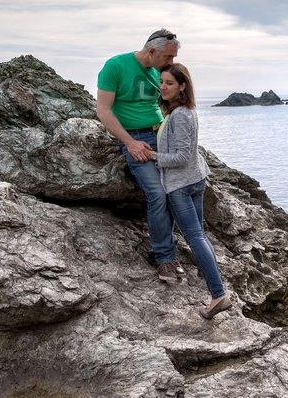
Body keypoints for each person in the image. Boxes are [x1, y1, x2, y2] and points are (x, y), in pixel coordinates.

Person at [96, 28, 185, 278]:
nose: (172, 63)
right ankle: (164, 258)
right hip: (135, 138)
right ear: (151, 51)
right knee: (157, 193)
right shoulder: (116, 66)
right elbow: (103, 111)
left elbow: (172, 101)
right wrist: (130, 143)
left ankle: (174, 249)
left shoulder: (163, 71)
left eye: (174, 57)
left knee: (177, 190)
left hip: (162, 134)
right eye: (168, 57)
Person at [149, 63, 232, 319]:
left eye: (170, 83)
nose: (163, 87)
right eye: (161, 82)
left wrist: (153, 156)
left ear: (182, 86)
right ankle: (218, 293)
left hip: (182, 185)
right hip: (194, 179)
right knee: (200, 236)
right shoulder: (182, 110)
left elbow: (183, 156)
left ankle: (218, 295)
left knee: (195, 238)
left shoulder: (182, 115)